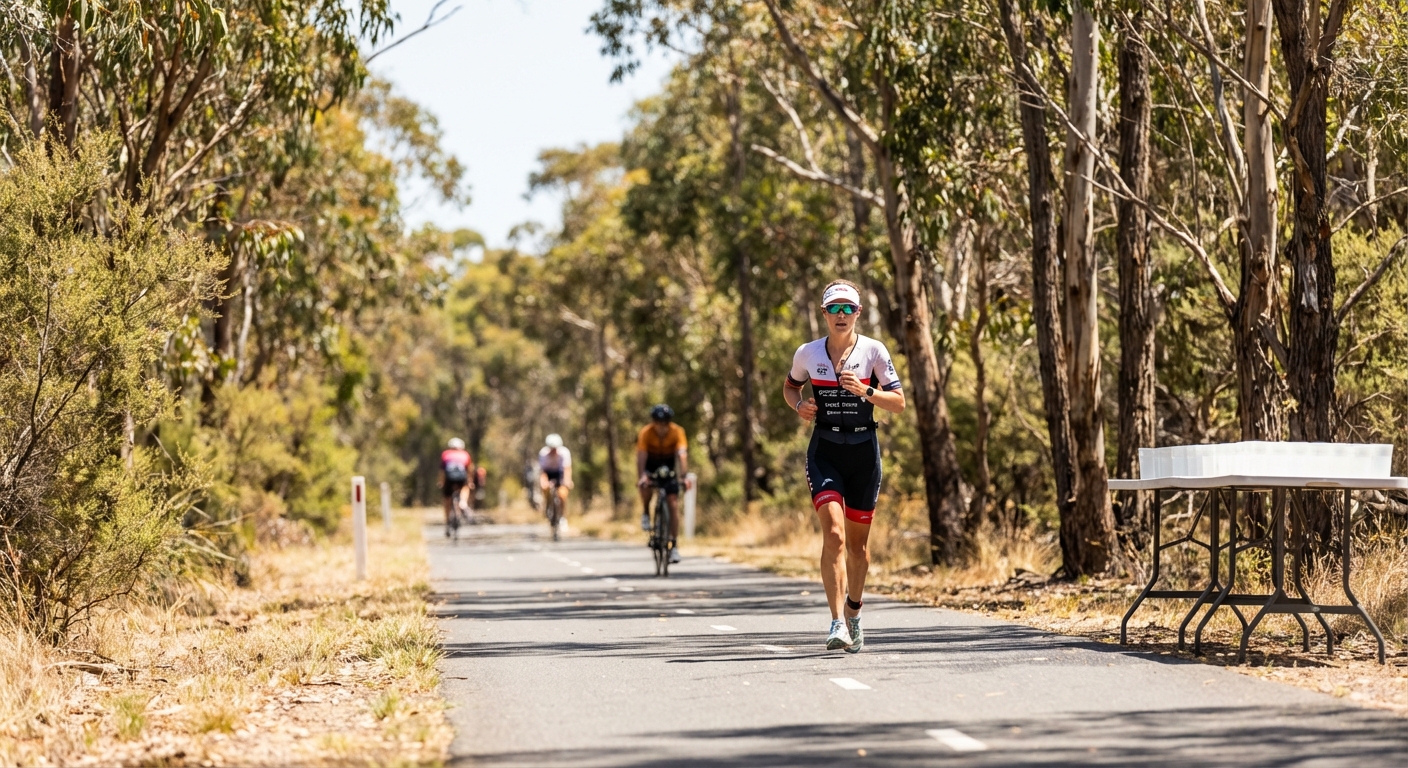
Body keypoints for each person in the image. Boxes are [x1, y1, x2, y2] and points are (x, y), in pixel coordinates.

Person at [782, 280, 905, 653]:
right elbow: (790, 388)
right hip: (825, 450)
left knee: (858, 549)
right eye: (833, 309)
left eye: (847, 309)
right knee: (833, 534)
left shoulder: (873, 351)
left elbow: (898, 402)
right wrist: (798, 405)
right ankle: (836, 622)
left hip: (864, 453)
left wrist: (865, 391)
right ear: (823, 314)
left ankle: (853, 609)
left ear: (858, 313)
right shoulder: (808, 353)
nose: (840, 315)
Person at [636, 404, 692, 564]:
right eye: (658, 423)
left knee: (673, 503)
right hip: (650, 465)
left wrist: (684, 476)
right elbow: (641, 456)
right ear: (653, 422)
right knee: (645, 487)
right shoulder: (646, 433)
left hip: (668, 466)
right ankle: (646, 513)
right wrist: (642, 477)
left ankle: (673, 546)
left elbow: (682, 455)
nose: (661, 427)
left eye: (665, 423)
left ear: (669, 422)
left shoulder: (677, 432)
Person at [439, 438, 474, 534]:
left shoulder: (445, 454)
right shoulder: (465, 454)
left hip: (449, 479)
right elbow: (469, 470)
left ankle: (447, 523)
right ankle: (463, 503)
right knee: (465, 487)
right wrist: (470, 482)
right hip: (461, 478)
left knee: (447, 499)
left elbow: (442, 471)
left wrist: (441, 482)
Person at [538, 434, 573, 528]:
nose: (553, 451)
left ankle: (562, 517)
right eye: (551, 449)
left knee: (562, 494)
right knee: (546, 490)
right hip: (549, 473)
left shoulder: (564, 453)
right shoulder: (543, 454)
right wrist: (543, 483)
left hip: (560, 473)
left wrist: (567, 481)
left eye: (555, 449)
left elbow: (567, 469)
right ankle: (548, 507)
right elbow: (543, 472)